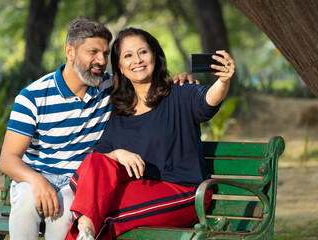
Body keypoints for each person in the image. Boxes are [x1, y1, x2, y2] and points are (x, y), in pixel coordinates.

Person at [0, 17, 196, 240]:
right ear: (70, 52)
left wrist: (180, 78)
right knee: (26, 204)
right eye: (92, 52)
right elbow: (7, 160)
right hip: (36, 176)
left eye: (104, 54)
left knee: (67, 216)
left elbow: (144, 77)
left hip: (79, 182)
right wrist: (37, 180)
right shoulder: (33, 96)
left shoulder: (111, 87)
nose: (101, 61)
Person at [65, 28, 235, 240]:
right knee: (94, 169)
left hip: (185, 192)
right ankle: (86, 229)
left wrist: (223, 81)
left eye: (143, 52)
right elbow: (97, 165)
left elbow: (208, 100)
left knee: (102, 213)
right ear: (120, 67)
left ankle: (86, 229)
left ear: (155, 55)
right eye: (128, 55)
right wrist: (117, 154)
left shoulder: (180, 92)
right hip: (141, 188)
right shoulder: (118, 111)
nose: (137, 60)